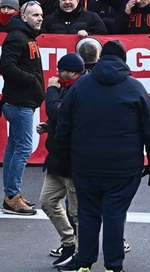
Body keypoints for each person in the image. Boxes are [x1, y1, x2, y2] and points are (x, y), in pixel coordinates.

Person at [55, 40, 150, 272]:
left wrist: (63, 161)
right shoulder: (135, 88)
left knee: (87, 214)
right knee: (114, 215)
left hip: (85, 165)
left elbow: (63, 126)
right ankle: (113, 266)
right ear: (124, 60)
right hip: (124, 167)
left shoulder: (80, 86)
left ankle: (84, 263)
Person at [0, 0, 45, 215]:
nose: (40, 18)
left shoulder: (25, 36)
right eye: (35, 15)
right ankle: (12, 196)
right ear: (23, 17)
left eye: (41, 15)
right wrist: (32, 81)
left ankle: (11, 194)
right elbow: (6, 67)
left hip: (19, 102)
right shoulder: (18, 37)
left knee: (14, 146)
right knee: (24, 148)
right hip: (19, 103)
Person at [39, 52, 86, 269]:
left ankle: (79, 254)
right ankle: (69, 242)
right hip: (57, 160)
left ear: (73, 72)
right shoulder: (68, 86)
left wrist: (51, 89)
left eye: (61, 70)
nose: (57, 74)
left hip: (72, 162)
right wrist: (49, 127)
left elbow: (56, 110)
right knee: (47, 201)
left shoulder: (78, 88)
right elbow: (61, 117)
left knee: (77, 213)